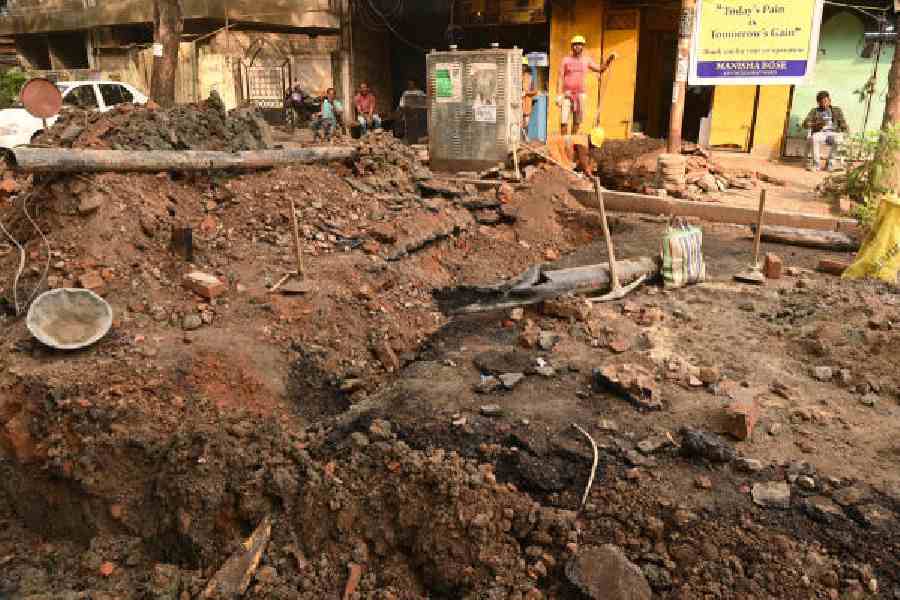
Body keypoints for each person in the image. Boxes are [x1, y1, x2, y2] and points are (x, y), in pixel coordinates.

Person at [557, 35, 614, 135]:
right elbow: (560, 77)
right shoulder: (565, 60)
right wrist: (558, 95)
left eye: (580, 44)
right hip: (567, 94)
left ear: (583, 47)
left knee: (577, 121)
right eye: (575, 45)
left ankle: (573, 143)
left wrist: (609, 60)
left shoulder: (586, 60)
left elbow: (600, 69)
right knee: (564, 121)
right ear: (571, 46)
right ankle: (564, 145)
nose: (577, 47)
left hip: (580, 95)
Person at [803, 91, 849, 172]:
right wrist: (816, 124)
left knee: (839, 140)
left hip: (834, 133)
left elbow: (843, 123)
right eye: (821, 102)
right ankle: (816, 165)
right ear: (818, 103)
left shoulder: (837, 110)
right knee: (814, 138)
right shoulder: (814, 111)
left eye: (826, 101)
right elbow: (805, 124)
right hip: (820, 133)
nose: (824, 104)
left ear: (830, 100)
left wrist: (845, 132)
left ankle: (830, 164)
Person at [522, 57, 537, 139]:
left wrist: (526, 93)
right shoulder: (514, 76)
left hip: (527, 104)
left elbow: (535, 91)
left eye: (524, 65)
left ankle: (524, 139)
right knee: (517, 124)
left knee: (526, 123)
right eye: (521, 65)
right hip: (517, 105)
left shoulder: (530, 77)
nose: (522, 67)